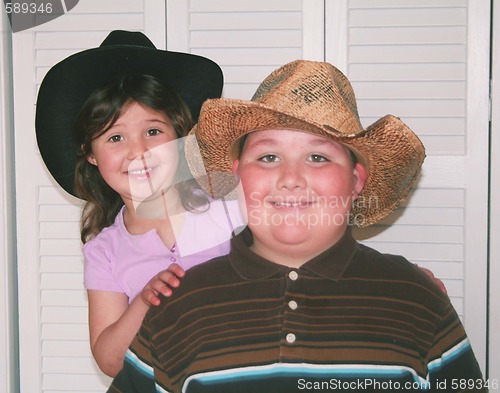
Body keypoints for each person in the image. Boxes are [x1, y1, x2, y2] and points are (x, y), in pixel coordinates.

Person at [107, 60, 486, 392]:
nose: (291, 178)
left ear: (356, 181)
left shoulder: (416, 298)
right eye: (269, 156)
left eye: (318, 157)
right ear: (237, 176)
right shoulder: (179, 307)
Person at [35, 30, 244, 377]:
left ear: (180, 135)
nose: (138, 151)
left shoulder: (230, 210)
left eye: (153, 131)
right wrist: (143, 303)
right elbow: (109, 360)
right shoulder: (104, 252)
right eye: (115, 137)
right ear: (90, 154)